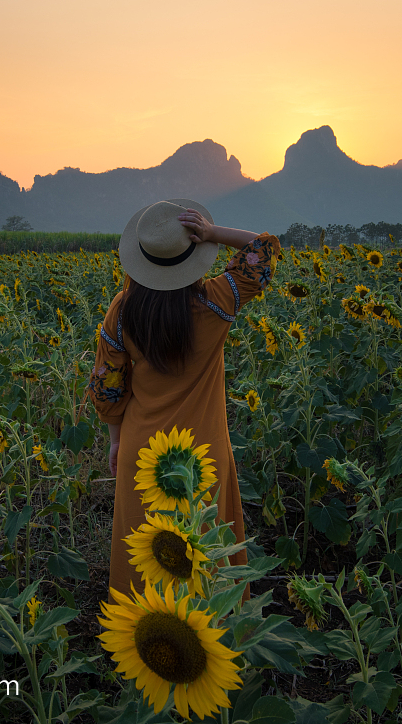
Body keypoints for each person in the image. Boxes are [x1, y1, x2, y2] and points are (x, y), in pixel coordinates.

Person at [86, 198, 281, 598]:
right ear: (195, 256)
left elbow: (106, 388)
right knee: (205, 555)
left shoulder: (123, 312)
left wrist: (116, 440)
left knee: (147, 553)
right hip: (203, 452)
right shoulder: (216, 302)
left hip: (143, 451)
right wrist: (213, 233)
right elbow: (263, 249)